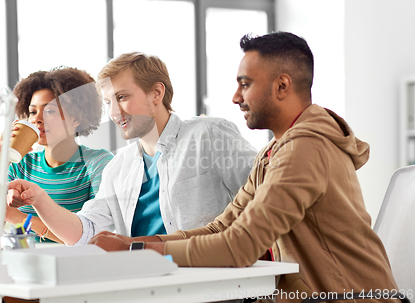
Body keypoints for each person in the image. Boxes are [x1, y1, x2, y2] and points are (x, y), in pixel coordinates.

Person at [85, 33, 399, 302]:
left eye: (245, 84)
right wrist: (136, 245)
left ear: (282, 86)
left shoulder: (305, 149)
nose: (236, 97)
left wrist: (136, 253)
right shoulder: (272, 155)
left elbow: (240, 246)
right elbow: (220, 228)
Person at [7, 52, 258, 246]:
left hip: (210, 284)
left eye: (122, 97)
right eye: (109, 102)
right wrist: (38, 198)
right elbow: (84, 232)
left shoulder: (209, 134)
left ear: (157, 93)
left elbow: (264, 199)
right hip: (142, 286)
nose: (115, 113)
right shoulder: (119, 167)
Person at [0, 67, 113, 243]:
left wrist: (21, 219)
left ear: (76, 118)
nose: (37, 119)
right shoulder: (20, 164)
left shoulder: (98, 163)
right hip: (23, 260)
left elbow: (95, 238)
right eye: (32, 111)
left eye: (49, 111)